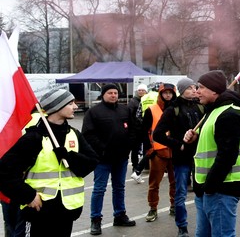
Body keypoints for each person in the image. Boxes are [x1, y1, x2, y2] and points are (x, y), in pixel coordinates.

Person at [0, 88, 99, 236]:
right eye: (70, 103)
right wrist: (28, 196)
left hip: (67, 211)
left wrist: (68, 156)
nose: (76, 107)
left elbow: (92, 162)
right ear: (57, 107)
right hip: (39, 212)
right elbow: (4, 172)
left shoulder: (74, 134)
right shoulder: (34, 138)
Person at [183, 70, 240, 237]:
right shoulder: (212, 111)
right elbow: (210, 146)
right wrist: (194, 139)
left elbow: (227, 156)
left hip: (221, 189)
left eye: (201, 87)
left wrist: (210, 187)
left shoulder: (229, 114)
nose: (196, 91)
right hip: (206, 188)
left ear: (215, 90)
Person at [82, 83, 137, 235]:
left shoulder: (125, 110)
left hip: (121, 158)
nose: (113, 95)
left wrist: (129, 146)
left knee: (119, 187)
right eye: (110, 93)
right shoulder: (93, 112)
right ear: (103, 94)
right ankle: (95, 220)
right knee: (99, 189)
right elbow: (88, 134)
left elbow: (133, 129)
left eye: (115, 93)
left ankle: (119, 215)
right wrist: (102, 149)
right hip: (102, 159)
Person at [153, 77, 203, 237]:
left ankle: (204, 224)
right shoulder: (173, 109)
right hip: (181, 159)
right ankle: (182, 226)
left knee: (201, 191)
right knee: (180, 192)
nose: (194, 90)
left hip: (200, 157)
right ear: (182, 91)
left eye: (195, 87)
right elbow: (158, 134)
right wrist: (177, 144)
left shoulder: (201, 107)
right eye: (190, 88)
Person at [141, 83, 176, 223]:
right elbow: (144, 131)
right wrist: (149, 149)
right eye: (165, 93)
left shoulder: (177, 109)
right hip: (157, 151)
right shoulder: (151, 110)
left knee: (176, 181)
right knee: (154, 183)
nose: (168, 95)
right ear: (160, 94)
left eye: (170, 93)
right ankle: (153, 208)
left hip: (174, 150)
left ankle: (174, 205)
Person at [128, 84, 147, 176]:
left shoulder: (147, 100)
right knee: (135, 148)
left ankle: (146, 164)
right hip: (136, 128)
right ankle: (135, 165)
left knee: (146, 147)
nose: (141, 92)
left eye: (143, 90)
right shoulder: (133, 101)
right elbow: (130, 114)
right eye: (139, 90)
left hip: (145, 128)